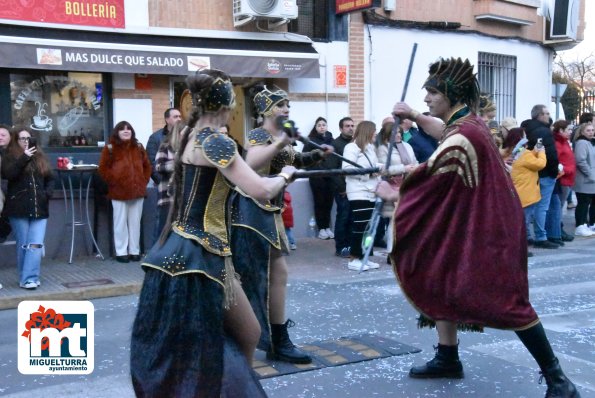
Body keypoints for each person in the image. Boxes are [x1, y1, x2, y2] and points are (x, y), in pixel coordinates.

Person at [385, 57, 580, 398]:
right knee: (439, 275)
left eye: (432, 93)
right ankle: (447, 357)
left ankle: (559, 380)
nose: (427, 98)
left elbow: (432, 171)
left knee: (510, 303)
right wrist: (415, 117)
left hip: (490, 232)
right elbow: (440, 131)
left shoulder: (466, 135)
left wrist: (394, 186)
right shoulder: (466, 122)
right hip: (475, 222)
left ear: (450, 93)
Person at [131, 69, 292, 398]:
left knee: (222, 338)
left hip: (186, 247)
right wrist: (287, 174)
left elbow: (242, 165)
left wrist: (279, 146)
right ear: (229, 104)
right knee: (245, 334)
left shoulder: (190, 134)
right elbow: (260, 188)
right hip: (201, 256)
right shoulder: (214, 141)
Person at [232, 85, 331, 364]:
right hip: (252, 211)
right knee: (256, 275)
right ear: (265, 110)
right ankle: (260, 337)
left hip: (270, 210)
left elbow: (292, 161)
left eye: (287, 105)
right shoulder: (259, 134)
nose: (286, 110)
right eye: (279, 106)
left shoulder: (280, 136)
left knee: (277, 273)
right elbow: (251, 163)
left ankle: (276, 337)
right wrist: (280, 142)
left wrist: (315, 155)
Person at [1, 127, 54, 290]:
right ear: (16, 141)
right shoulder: (10, 157)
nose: (25, 141)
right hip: (18, 207)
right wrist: (24, 157)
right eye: (22, 139)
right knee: (24, 244)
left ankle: (30, 277)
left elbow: (50, 177)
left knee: (36, 245)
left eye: (28, 138)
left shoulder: (40, 157)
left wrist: (47, 194)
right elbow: (8, 174)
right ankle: (25, 278)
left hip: (39, 207)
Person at [98, 121, 152, 263]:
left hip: (137, 191)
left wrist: (143, 181)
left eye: (129, 129)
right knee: (120, 223)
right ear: (117, 132)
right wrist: (115, 182)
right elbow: (103, 169)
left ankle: (135, 251)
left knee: (135, 223)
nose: (126, 131)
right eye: (122, 129)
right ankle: (121, 252)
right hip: (118, 193)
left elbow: (147, 166)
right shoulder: (110, 148)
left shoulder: (139, 147)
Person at [342, 120, 382, 271]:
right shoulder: (351, 147)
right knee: (360, 226)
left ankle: (365, 256)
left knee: (369, 228)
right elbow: (347, 168)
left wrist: (384, 168)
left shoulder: (370, 148)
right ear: (367, 132)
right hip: (358, 192)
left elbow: (375, 166)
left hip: (371, 192)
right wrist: (370, 172)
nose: (376, 133)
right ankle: (354, 258)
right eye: (374, 131)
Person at [375, 119, 417, 257]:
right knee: (393, 221)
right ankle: (391, 253)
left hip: (407, 186)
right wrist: (403, 168)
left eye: (399, 132)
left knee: (405, 219)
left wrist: (415, 168)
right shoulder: (383, 148)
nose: (398, 135)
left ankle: (404, 249)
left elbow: (414, 161)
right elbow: (383, 169)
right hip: (392, 187)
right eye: (395, 133)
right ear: (388, 134)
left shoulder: (407, 146)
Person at [522, 105, 560, 249]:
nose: (548, 116)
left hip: (533, 171)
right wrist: (554, 171)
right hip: (545, 172)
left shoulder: (527, 130)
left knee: (531, 206)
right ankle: (541, 236)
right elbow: (550, 153)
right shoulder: (544, 131)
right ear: (539, 115)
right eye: (546, 113)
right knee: (542, 206)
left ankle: (528, 235)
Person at [508, 127, 546, 253]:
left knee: (521, 222)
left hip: (519, 192)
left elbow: (528, 157)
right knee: (523, 223)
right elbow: (540, 164)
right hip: (526, 195)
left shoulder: (516, 152)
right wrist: (541, 152)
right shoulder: (524, 154)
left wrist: (536, 150)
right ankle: (521, 249)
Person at [303, 116, 335, 240]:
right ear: (316, 127)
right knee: (319, 202)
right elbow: (304, 157)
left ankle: (327, 228)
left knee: (329, 203)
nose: (322, 127)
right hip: (316, 176)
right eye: (319, 125)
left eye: (324, 125)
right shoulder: (311, 140)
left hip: (330, 175)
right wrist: (311, 171)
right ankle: (321, 228)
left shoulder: (331, 139)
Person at [330, 117, 355, 257]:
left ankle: (351, 245)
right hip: (343, 190)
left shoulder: (354, 144)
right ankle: (340, 246)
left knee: (352, 218)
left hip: (355, 188)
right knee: (343, 217)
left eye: (352, 125)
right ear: (341, 128)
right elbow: (333, 170)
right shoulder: (336, 145)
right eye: (347, 126)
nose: (351, 128)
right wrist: (342, 188)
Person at [552, 120, 576, 242]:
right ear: (561, 130)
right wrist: (567, 170)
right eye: (568, 130)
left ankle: (558, 229)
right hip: (563, 178)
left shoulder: (564, 141)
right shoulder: (558, 143)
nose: (570, 132)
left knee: (560, 206)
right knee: (559, 206)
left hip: (568, 178)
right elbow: (556, 162)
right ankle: (558, 230)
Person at [146, 108, 182, 185]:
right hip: (165, 184)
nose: (179, 119)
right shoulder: (155, 137)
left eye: (180, 116)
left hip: (182, 184)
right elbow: (151, 164)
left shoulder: (184, 136)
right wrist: (163, 182)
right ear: (167, 119)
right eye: (175, 117)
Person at [572, 123, 595, 237]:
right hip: (585, 180)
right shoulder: (582, 143)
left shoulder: (590, 142)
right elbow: (580, 160)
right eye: (588, 130)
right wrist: (591, 174)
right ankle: (580, 225)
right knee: (583, 203)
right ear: (582, 132)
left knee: (591, 202)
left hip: (591, 180)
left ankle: (591, 224)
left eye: (592, 130)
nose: (591, 132)